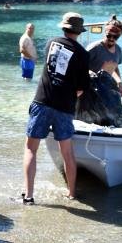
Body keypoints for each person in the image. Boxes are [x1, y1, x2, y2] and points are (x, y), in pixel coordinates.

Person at [22, 12, 90, 203]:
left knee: (30, 149)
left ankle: (28, 196)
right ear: (79, 31)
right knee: (67, 153)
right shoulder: (83, 54)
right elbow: (81, 89)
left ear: (63, 27)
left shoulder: (51, 42)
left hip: (42, 101)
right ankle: (71, 194)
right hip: (64, 107)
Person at [86, 14, 122, 98]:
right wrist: (91, 73)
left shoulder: (118, 50)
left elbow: (114, 68)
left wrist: (120, 83)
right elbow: (79, 66)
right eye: (109, 35)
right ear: (104, 33)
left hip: (106, 90)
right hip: (90, 91)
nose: (112, 38)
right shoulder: (94, 48)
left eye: (115, 36)